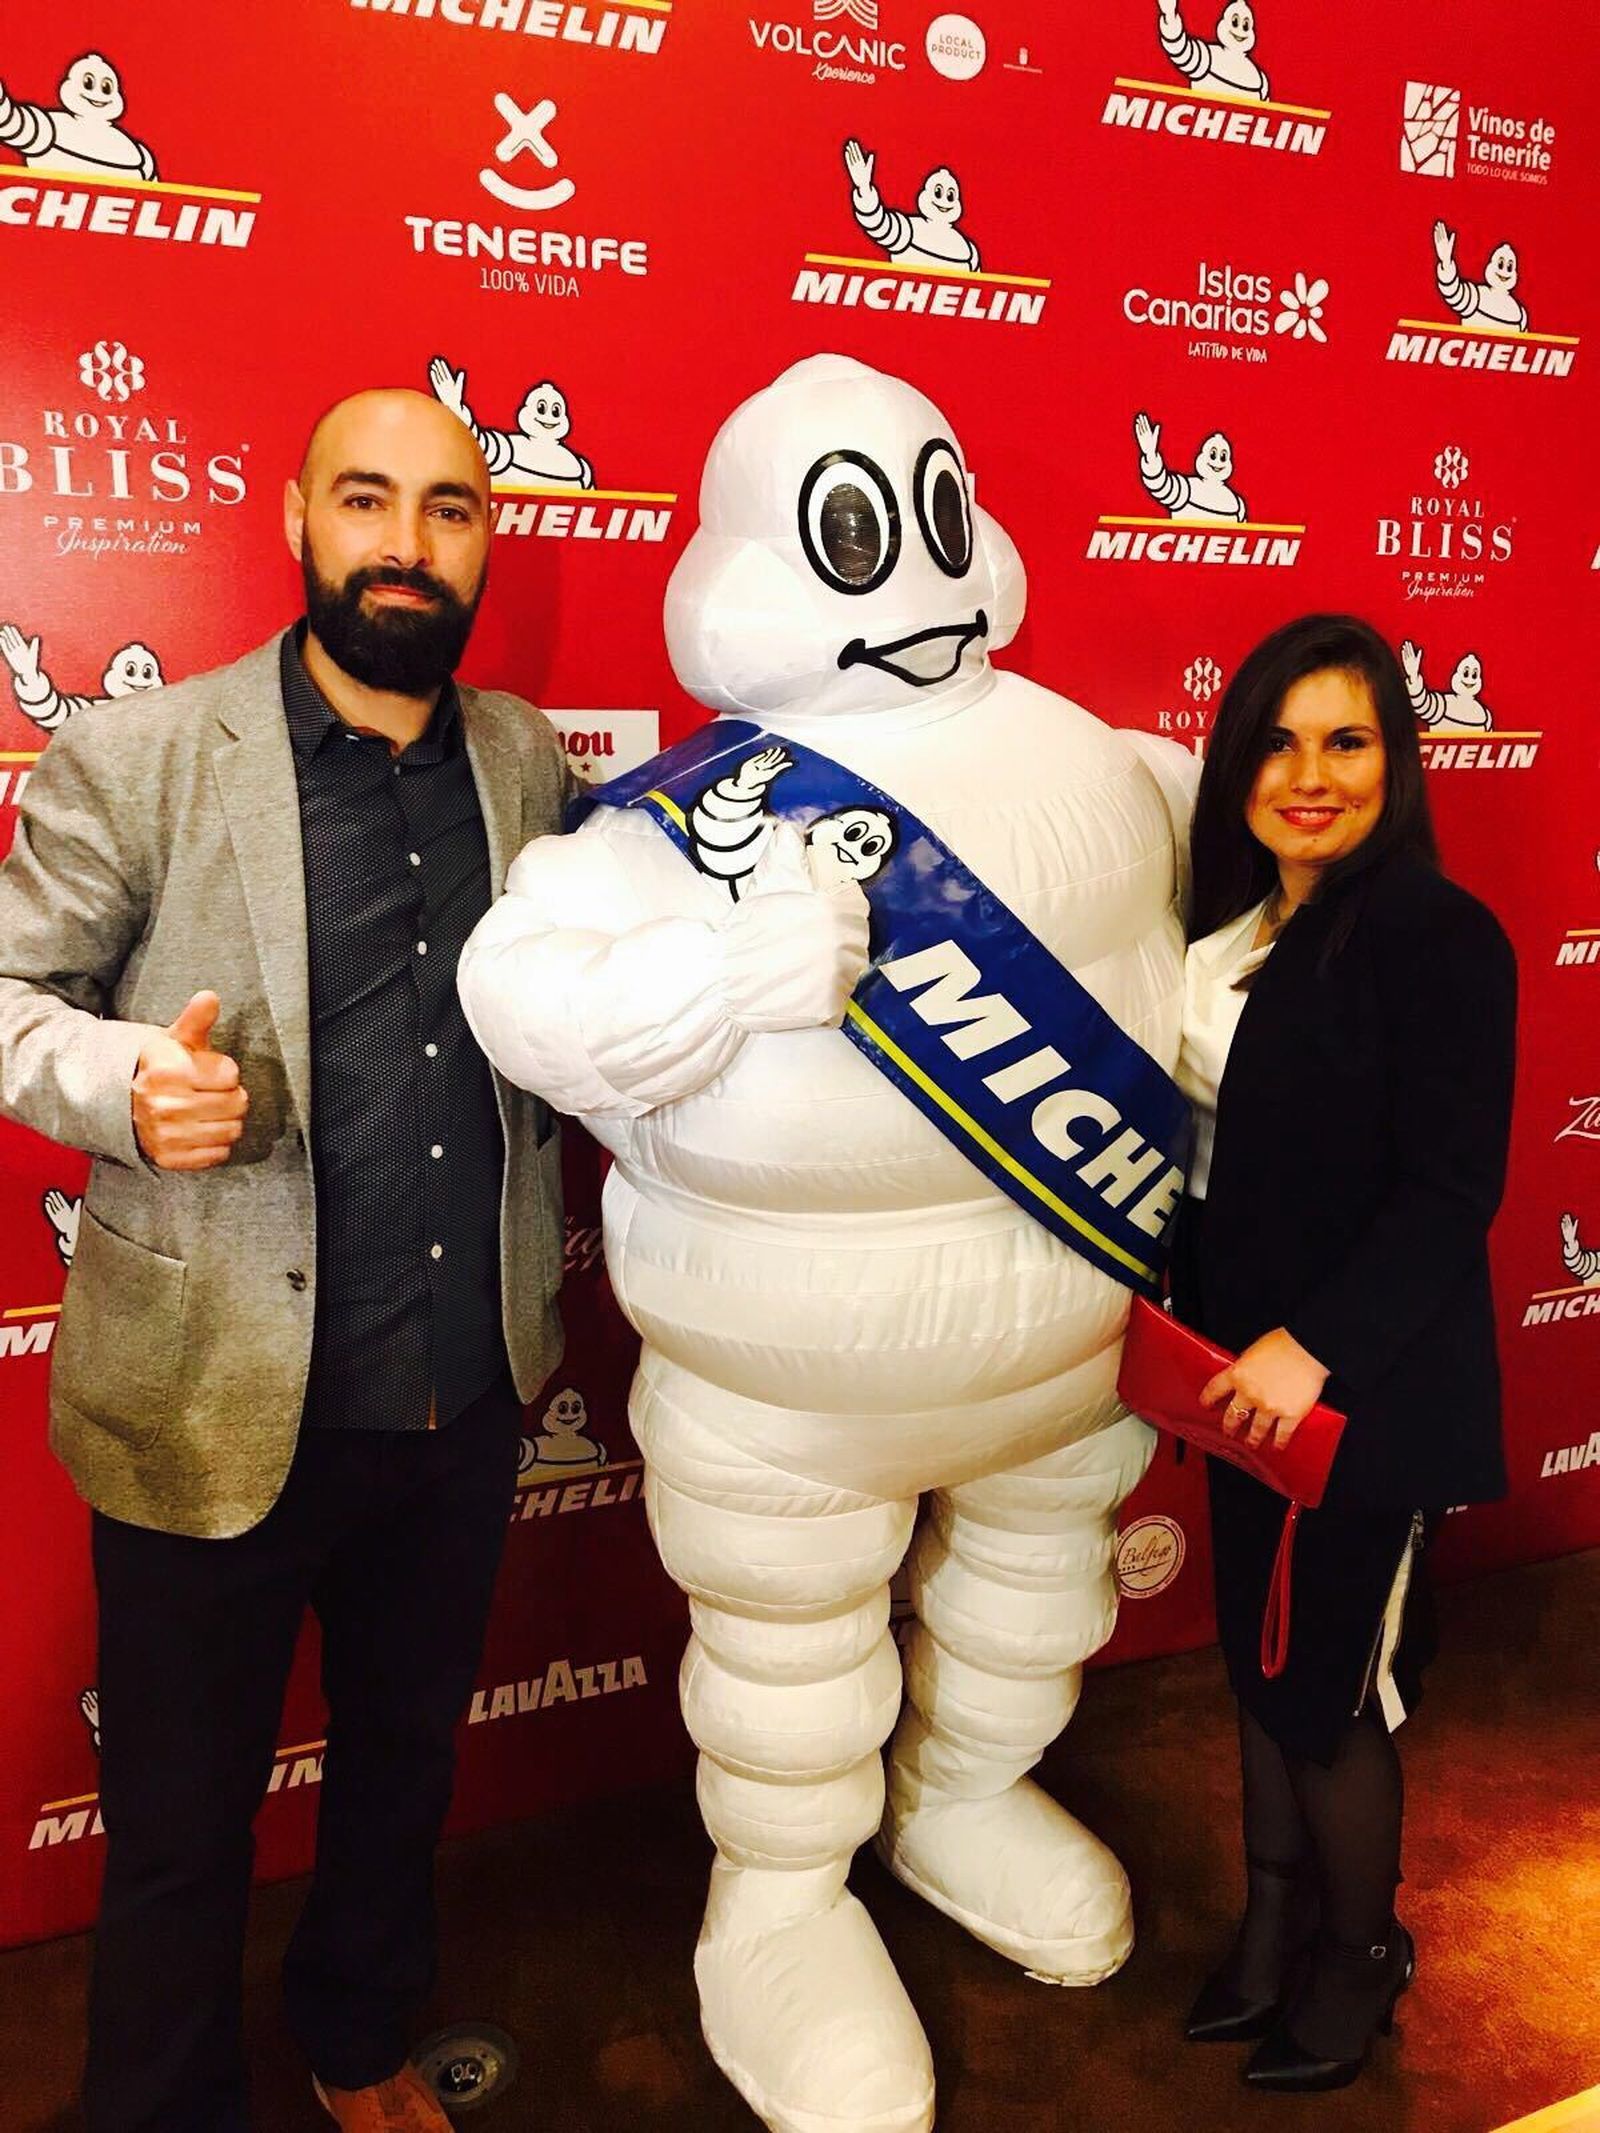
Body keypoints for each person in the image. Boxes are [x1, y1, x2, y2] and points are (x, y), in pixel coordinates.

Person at [0, 390, 568, 2133]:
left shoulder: (528, 760)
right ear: (298, 524)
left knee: (402, 1774)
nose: (408, 540)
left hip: (460, 1391)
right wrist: (117, 1082)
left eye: (450, 507)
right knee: (179, 1831)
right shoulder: (146, 753)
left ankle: (353, 2037)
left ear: (484, 541)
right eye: (368, 500)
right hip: (210, 1398)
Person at [1170, 612, 1516, 2091]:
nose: (1311, 774)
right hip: (1234, 1387)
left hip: (1360, 1397)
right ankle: (1273, 1925)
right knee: (1261, 1668)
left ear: (1399, 760)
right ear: (1239, 764)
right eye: (1280, 741)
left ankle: (1363, 1949)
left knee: (1332, 1689)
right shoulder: (1225, 944)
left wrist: (1315, 1348)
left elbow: (1452, 1190)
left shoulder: (1441, 937)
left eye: (1349, 740)